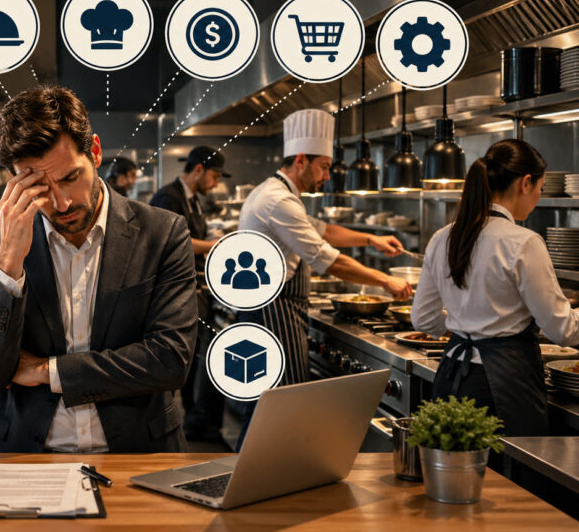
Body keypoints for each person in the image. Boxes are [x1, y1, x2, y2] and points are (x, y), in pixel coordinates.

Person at [0, 85, 198, 453]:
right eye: (38, 187)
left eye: (70, 177)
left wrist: (46, 372)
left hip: (138, 451)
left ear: (96, 152)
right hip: (21, 452)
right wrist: (9, 262)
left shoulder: (162, 233)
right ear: (13, 181)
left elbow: (170, 359)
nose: (61, 201)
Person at [236, 109, 412, 448]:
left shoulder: (280, 193)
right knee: (277, 408)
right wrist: (385, 281)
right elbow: (327, 259)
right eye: (325, 166)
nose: (328, 176)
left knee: (267, 408)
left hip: (273, 311)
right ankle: (252, 483)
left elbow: (324, 230)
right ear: (301, 159)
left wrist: (370, 239)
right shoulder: (277, 201)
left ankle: (250, 482)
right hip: (272, 314)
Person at [413, 139, 579, 439]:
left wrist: (466, 330)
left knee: (454, 476)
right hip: (505, 385)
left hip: (451, 375)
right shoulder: (523, 242)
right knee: (507, 483)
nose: (539, 197)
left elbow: (424, 320)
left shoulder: (443, 236)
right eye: (540, 187)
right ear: (526, 183)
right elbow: (562, 330)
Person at [150, 145, 228, 445]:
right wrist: (213, 246)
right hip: (176, 293)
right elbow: (172, 242)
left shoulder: (194, 200)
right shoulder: (169, 197)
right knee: (179, 359)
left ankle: (193, 422)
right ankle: (167, 424)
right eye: (214, 176)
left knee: (193, 360)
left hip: (196, 289)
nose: (216, 183)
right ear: (198, 170)